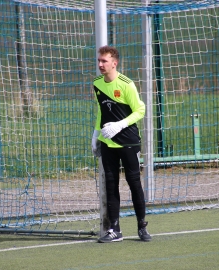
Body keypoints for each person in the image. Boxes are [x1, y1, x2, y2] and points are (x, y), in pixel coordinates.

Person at [91, 45, 151, 243]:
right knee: (110, 185)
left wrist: (119, 125)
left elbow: (140, 110)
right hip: (108, 143)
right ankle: (114, 230)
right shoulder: (97, 84)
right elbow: (102, 112)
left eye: (104, 61)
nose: (100, 64)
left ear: (114, 63)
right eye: (99, 60)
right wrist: (96, 134)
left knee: (134, 183)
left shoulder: (127, 84)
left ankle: (142, 226)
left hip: (129, 142)